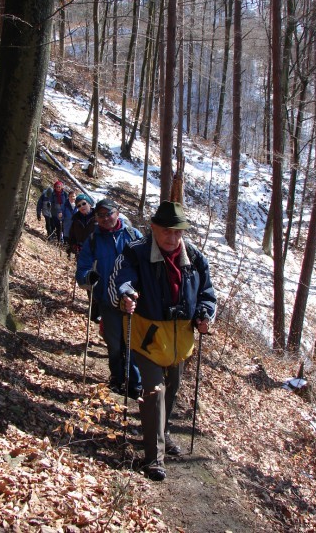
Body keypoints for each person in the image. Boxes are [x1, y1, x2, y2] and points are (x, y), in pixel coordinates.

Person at [108, 201, 217, 481]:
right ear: (154, 228)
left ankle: (164, 433)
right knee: (154, 392)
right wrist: (126, 296)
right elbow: (121, 281)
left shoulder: (194, 257)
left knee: (172, 389)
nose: (172, 238)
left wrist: (205, 315)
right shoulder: (136, 254)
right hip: (148, 338)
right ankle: (154, 457)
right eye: (167, 231)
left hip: (181, 340)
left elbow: (207, 293)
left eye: (177, 232)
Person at [76, 198, 143, 398]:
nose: (106, 219)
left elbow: (145, 265)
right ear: (96, 217)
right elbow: (82, 268)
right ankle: (117, 378)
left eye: (109, 214)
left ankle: (135, 384)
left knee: (132, 344)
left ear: (118, 212)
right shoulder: (94, 240)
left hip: (132, 301)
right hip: (107, 300)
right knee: (114, 344)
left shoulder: (133, 235)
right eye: (101, 216)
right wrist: (88, 277)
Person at [68, 193, 96, 258]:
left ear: (89, 204)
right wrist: (73, 247)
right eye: (79, 206)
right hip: (81, 253)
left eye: (84, 203)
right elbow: (72, 236)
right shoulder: (76, 219)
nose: (82, 206)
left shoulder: (98, 217)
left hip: (96, 252)